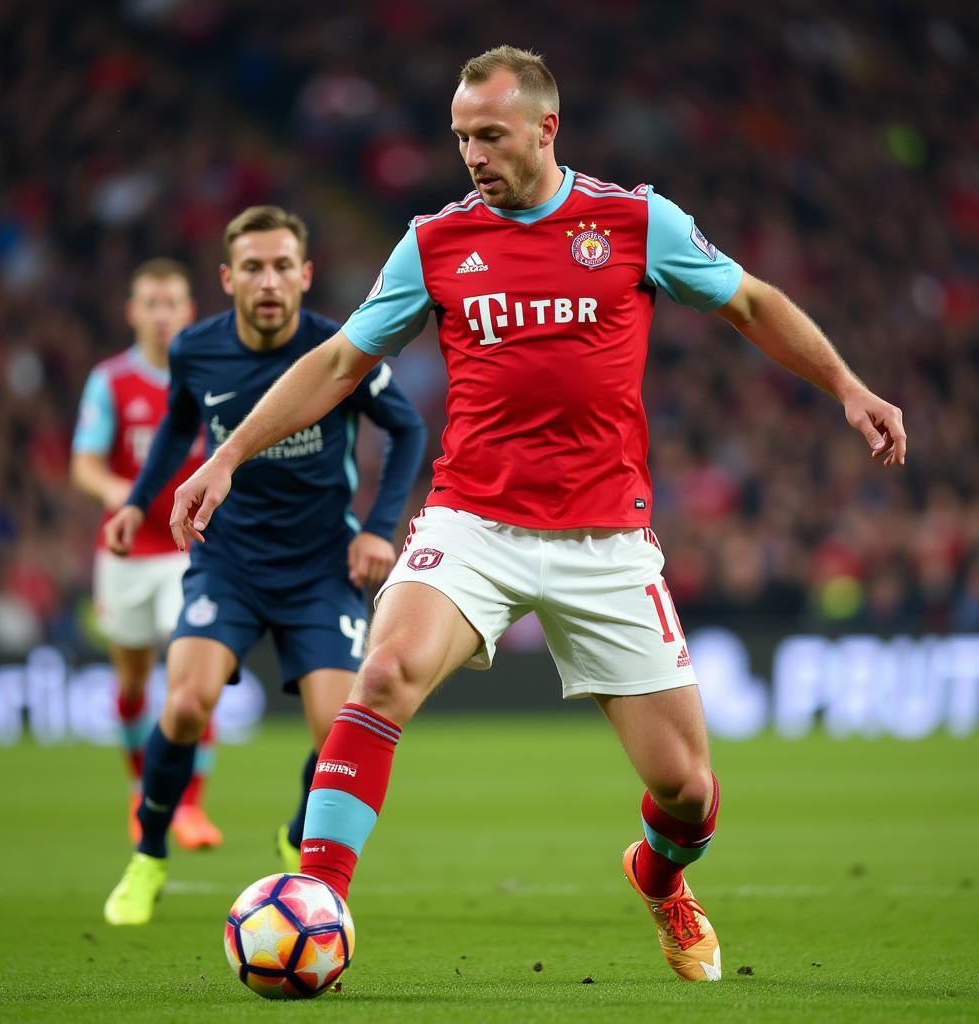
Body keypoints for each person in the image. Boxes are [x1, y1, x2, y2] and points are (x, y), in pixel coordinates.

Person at [166, 48, 907, 982]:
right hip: (472, 521)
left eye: (490, 135)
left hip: (606, 537)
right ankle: (320, 898)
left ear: (546, 129)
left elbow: (751, 303)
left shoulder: (635, 221)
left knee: (686, 790)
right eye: (461, 137)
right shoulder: (434, 242)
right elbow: (339, 362)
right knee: (385, 670)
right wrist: (227, 454)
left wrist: (847, 386)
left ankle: (659, 876)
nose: (471, 154)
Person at [102, 206, 427, 925]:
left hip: (321, 568)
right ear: (228, 278)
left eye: (284, 266)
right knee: (185, 705)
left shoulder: (339, 350)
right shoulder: (196, 350)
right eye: (253, 267)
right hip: (231, 564)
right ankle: (149, 856)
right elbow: (179, 427)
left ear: (306, 275)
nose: (269, 281)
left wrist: (378, 530)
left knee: (338, 730)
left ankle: (294, 831)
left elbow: (406, 430)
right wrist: (136, 502)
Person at [71, 259, 223, 850]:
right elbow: (83, 463)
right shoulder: (110, 381)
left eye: (172, 304)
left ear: (188, 312)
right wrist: (119, 494)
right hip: (128, 552)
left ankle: (189, 804)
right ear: (133, 312)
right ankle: (143, 791)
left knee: (193, 680)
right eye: (151, 304)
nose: (162, 315)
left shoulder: (210, 376)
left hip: (190, 550)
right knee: (133, 682)